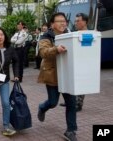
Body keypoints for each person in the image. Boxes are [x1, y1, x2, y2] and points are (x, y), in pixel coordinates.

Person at [37, 12, 77, 141]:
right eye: (59, 21)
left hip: (68, 74)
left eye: (64, 21)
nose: (62, 23)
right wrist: (56, 49)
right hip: (53, 74)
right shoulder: (46, 36)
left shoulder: (71, 35)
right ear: (52, 24)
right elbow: (43, 52)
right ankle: (42, 108)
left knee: (71, 103)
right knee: (53, 102)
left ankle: (71, 131)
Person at [59, 13, 89, 112]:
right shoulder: (75, 33)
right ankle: (70, 102)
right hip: (74, 62)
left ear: (84, 22)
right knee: (73, 82)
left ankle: (78, 103)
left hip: (84, 62)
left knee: (81, 82)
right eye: (75, 21)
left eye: (78, 21)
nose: (75, 23)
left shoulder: (89, 34)